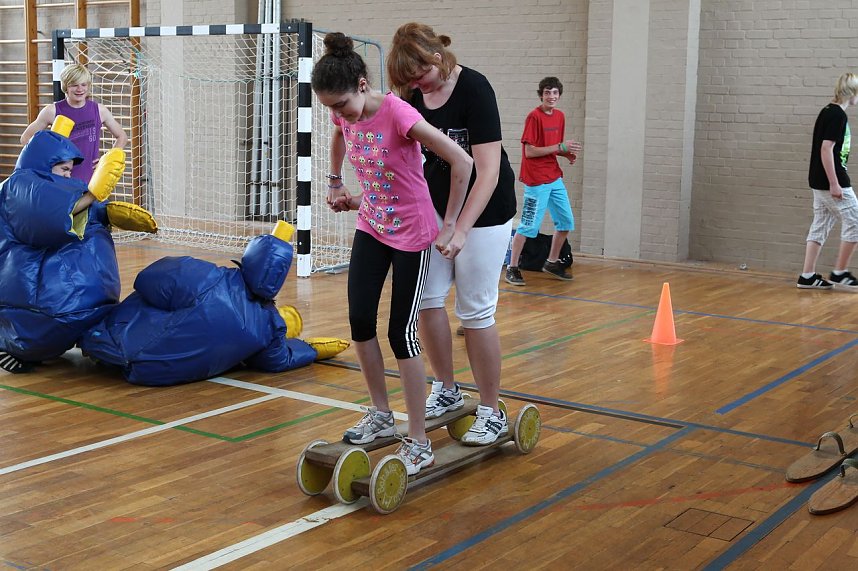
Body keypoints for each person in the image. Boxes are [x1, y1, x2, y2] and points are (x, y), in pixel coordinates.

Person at [312, 32, 473, 474]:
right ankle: (382, 415)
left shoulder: (399, 113)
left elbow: (463, 161)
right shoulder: (344, 114)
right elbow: (341, 135)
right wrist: (335, 181)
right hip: (372, 224)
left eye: (340, 104)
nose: (337, 115)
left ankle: (418, 440)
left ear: (362, 86)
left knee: (401, 332)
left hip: (413, 234)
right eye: (329, 107)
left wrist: (452, 224)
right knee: (360, 321)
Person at [388, 22, 517, 446]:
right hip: (436, 212)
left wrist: (460, 229)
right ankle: (445, 388)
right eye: (408, 83)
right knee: (426, 297)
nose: (416, 87)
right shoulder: (412, 94)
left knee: (476, 310)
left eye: (420, 76)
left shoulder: (475, 89)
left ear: (437, 58)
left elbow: (489, 170)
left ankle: (491, 408)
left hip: (485, 213)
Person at [80, 222, 348, 385]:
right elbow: (276, 361)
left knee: (152, 298)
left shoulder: (207, 277)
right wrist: (310, 349)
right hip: (156, 377)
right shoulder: (270, 325)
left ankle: (97, 340)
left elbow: (146, 279)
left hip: (116, 348)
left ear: (250, 255)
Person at [0, 119, 128, 373]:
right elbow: (48, 217)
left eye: (70, 171)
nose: (69, 176)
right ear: (45, 166)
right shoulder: (19, 186)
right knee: (36, 331)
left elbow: (79, 215)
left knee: (85, 319)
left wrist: (106, 213)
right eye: (63, 170)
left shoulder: (50, 187)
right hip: (34, 296)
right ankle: (13, 347)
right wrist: (93, 195)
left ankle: (90, 340)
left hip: (77, 300)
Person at [505, 76, 582, 286]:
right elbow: (530, 151)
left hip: (554, 177)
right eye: (547, 92)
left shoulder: (560, 117)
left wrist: (565, 154)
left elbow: (552, 147)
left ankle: (552, 261)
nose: (551, 96)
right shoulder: (534, 117)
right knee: (529, 226)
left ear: (559, 95)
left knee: (566, 222)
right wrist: (560, 148)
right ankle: (512, 267)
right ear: (541, 95)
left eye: (555, 93)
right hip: (536, 180)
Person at [797, 72, 858, 292]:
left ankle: (807, 276)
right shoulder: (837, 115)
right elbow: (826, 149)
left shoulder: (828, 111)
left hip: (818, 181)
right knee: (856, 221)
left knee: (821, 225)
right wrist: (834, 183)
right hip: (831, 181)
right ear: (851, 93)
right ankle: (840, 273)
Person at [21, 63, 127, 183]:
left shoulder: (99, 110)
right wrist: (46, 160)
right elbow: (25, 138)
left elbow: (122, 136)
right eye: (74, 85)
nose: (80, 89)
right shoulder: (52, 111)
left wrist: (107, 160)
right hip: (60, 181)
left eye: (83, 85)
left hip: (91, 180)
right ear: (66, 86)